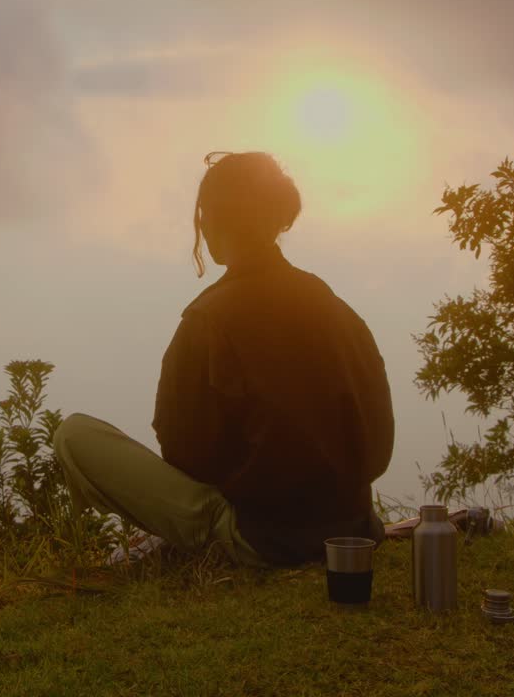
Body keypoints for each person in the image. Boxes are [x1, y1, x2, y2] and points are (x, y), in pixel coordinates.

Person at [53, 151, 393, 567]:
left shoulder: (208, 318)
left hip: (264, 541)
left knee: (73, 435)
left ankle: (198, 542)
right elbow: (378, 444)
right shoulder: (333, 305)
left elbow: (183, 452)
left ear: (214, 220)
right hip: (356, 530)